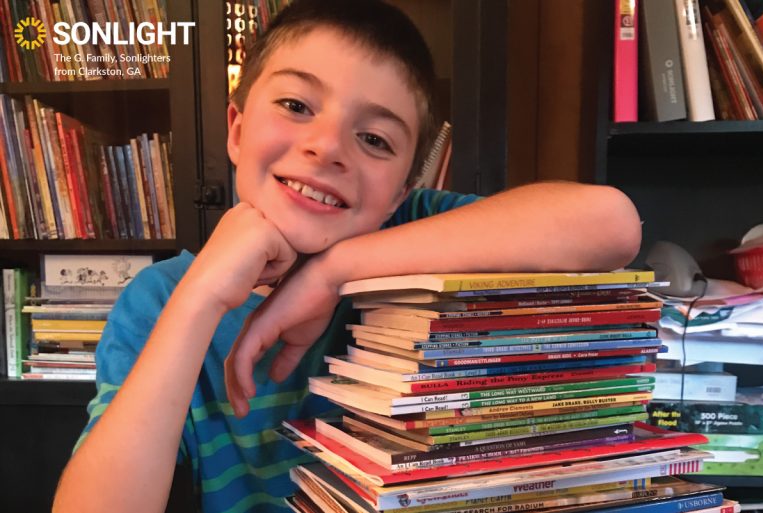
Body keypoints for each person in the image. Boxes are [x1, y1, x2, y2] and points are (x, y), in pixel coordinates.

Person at [53, 1, 642, 512]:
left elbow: (611, 224)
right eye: (296, 105)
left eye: (375, 140)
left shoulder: (416, 227)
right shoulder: (160, 298)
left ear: (401, 192)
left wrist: (335, 273)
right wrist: (201, 296)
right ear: (235, 130)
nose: (328, 146)